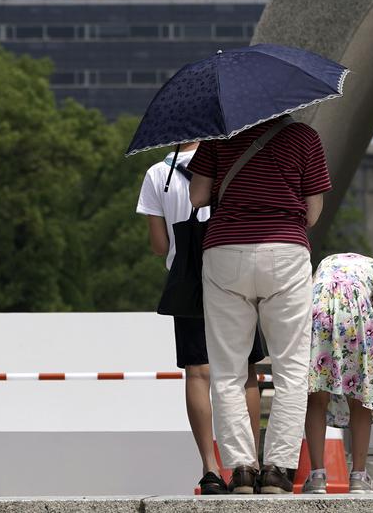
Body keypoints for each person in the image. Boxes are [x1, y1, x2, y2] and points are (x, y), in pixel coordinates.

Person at [188, 116, 332, 494]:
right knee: (292, 366)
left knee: (228, 369)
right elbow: (313, 212)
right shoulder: (305, 137)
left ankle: (242, 470)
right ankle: (278, 470)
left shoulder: (218, 139)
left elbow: (197, 197)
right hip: (285, 251)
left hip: (224, 252)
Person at [135, 142, 265, 495]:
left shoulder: (157, 174)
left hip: (189, 280)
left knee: (197, 371)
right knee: (247, 371)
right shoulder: (233, 160)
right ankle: (247, 466)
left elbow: (160, 246)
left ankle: (210, 468)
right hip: (235, 270)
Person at [301, 252, 373, 495]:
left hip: (319, 314)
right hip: (356, 320)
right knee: (360, 398)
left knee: (316, 397)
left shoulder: (325, 263)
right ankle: (359, 476)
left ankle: (316, 477)